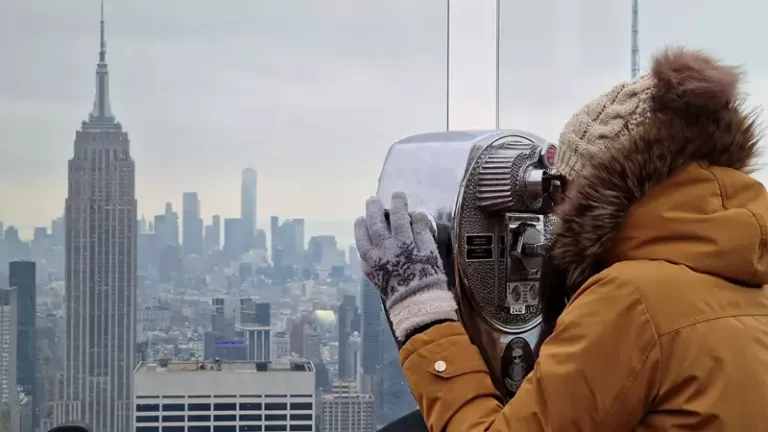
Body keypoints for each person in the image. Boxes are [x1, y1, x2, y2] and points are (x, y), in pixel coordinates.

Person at [355, 47, 768, 431]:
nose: (552, 215)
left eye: (558, 191)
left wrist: (422, 312)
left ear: (600, 190)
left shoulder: (631, 300)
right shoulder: (748, 283)